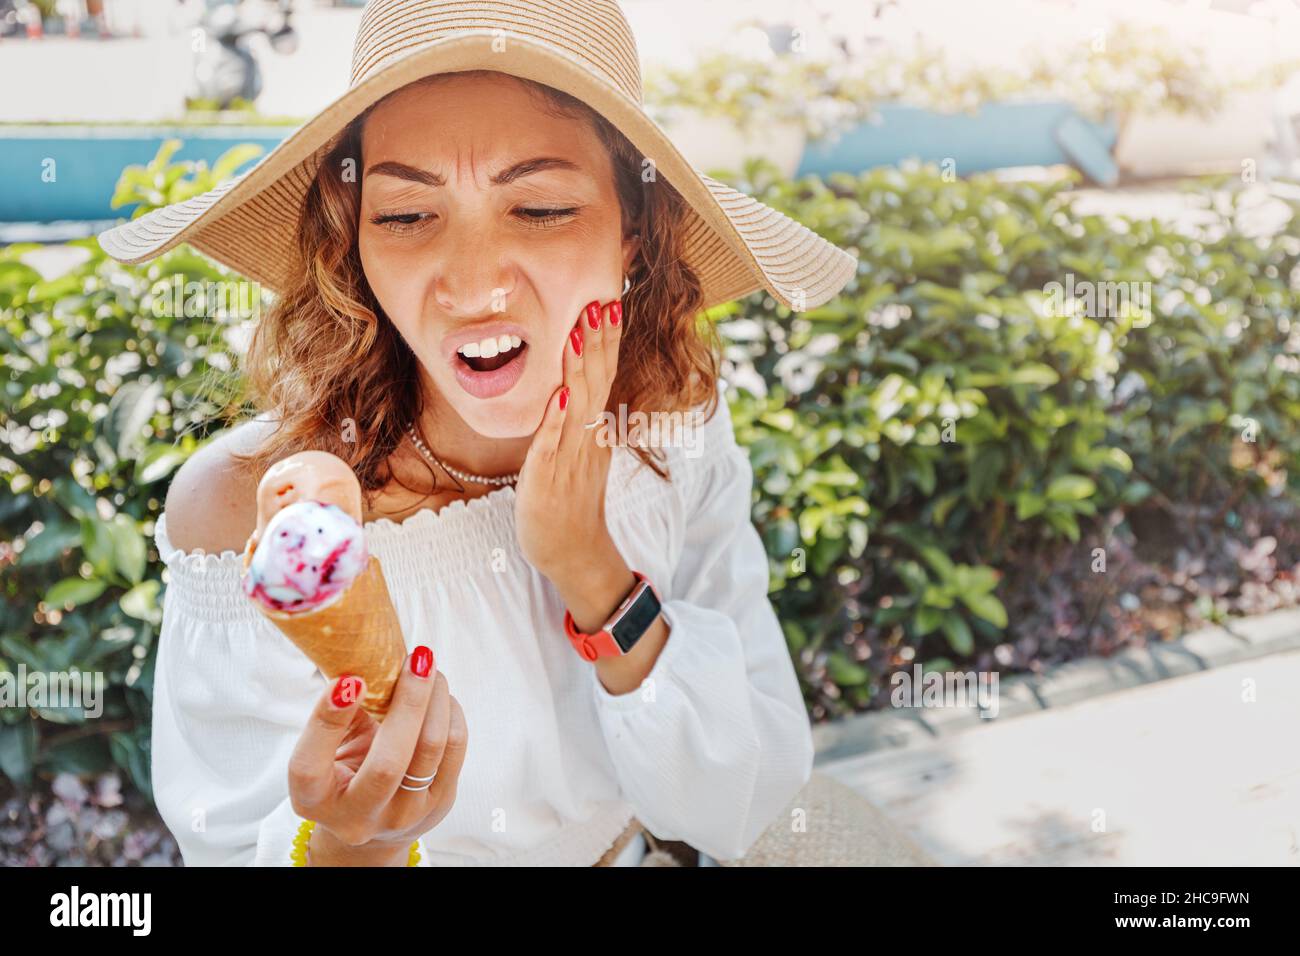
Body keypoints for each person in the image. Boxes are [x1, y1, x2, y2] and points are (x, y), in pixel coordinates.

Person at [97, 0, 856, 867]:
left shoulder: (671, 420)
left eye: (538, 208)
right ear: (354, 246)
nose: (469, 285)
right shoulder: (247, 515)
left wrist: (595, 573)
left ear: (635, 235)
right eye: (406, 216)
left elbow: (742, 795)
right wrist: (355, 839)